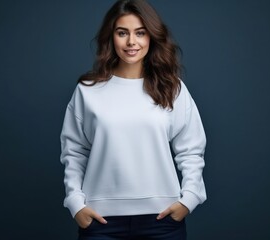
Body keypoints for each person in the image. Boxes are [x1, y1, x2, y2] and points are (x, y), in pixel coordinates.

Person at [60, 0, 207, 239]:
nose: (131, 42)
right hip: (100, 221)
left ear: (152, 37)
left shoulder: (172, 88)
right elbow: (75, 152)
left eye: (140, 33)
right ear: (111, 37)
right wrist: (76, 203)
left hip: (162, 220)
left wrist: (189, 199)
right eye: (122, 33)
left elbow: (191, 150)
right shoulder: (88, 90)